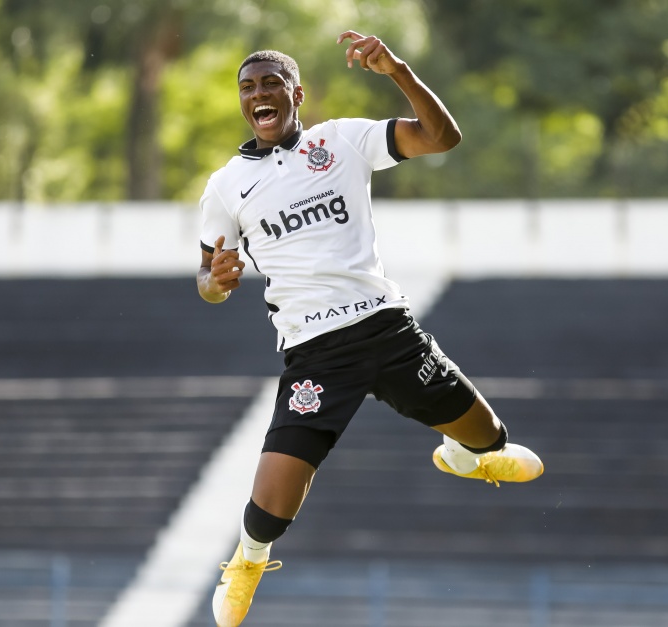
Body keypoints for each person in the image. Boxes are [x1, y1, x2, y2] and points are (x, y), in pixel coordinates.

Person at [197, 30, 544, 627]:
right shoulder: (226, 185)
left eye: (271, 83)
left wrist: (399, 71)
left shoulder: (343, 140)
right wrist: (217, 281)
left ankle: (466, 458)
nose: (259, 93)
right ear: (242, 103)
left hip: (387, 331)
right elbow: (206, 277)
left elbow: (443, 137)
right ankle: (248, 562)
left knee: (492, 436)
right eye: (248, 87)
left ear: (296, 93)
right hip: (314, 354)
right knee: (272, 508)